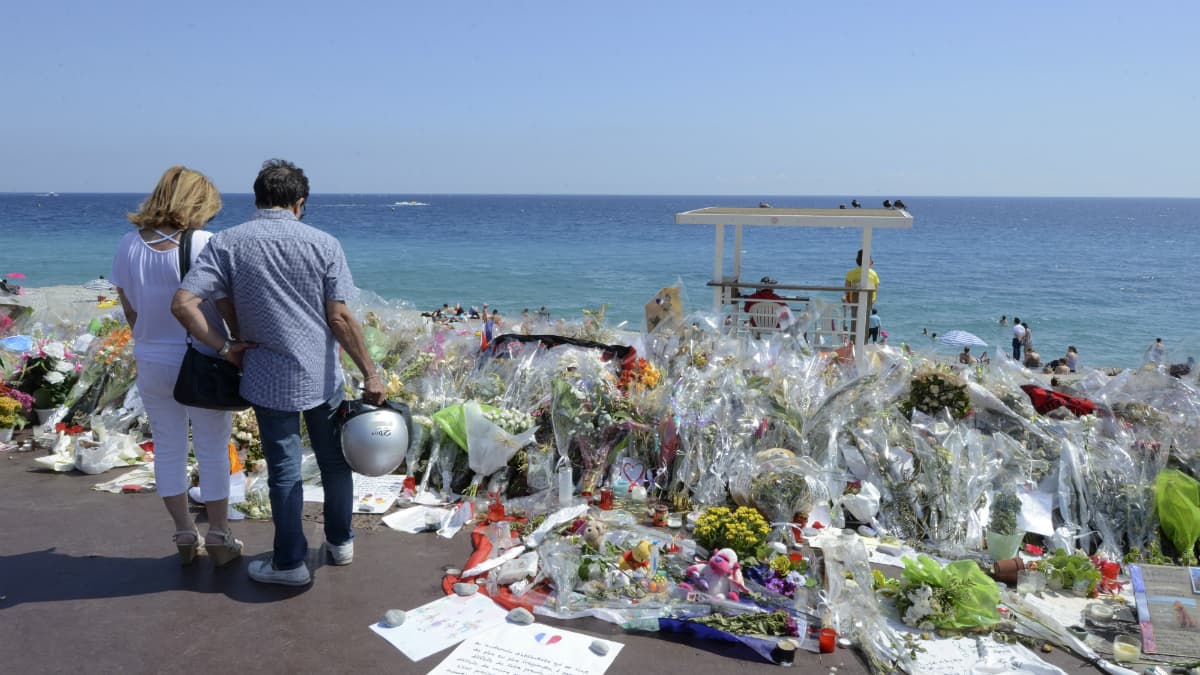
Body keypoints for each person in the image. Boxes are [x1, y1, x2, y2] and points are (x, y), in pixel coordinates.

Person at [172, 159, 385, 586]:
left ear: (256, 199)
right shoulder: (324, 244)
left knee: (284, 471)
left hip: (267, 377)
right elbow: (340, 318)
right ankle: (340, 544)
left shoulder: (228, 243)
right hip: (322, 376)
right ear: (299, 202)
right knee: (334, 462)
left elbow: (183, 304)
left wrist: (226, 346)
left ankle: (290, 564)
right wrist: (371, 372)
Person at [110, 166, 240, 566]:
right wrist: (232, 344)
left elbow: (129, 309)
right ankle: (219, 535)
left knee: (167, 448)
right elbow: (223, 303)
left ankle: (184, 533)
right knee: (213, 449)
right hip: (201, 356)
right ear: (199, 203)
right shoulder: (205, 242)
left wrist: (151, 339)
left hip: (151, 358)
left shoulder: (128, 245)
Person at [843, 250, 879, 341]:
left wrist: (849, 299)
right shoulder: (873, 274)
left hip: (854, 302)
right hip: (868, 301)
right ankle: (863, 343)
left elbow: (846, 290)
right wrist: (873, 300)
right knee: (865, 323)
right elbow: (875, 289)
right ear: (868, 261)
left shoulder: (850, 273)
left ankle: (853, 342)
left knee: (854, 322)